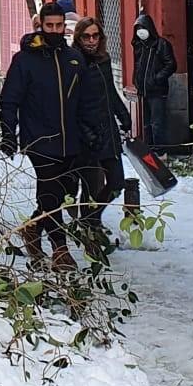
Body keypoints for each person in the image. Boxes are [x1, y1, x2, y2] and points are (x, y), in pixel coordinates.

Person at [0, 2, 107, 269]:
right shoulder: (25, 60)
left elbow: (85, 101)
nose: (55, 30)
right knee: (49, 193)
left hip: (71, 141)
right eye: (50, 26)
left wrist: (92, 131)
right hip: (39, 140)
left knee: (65, 193)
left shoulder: (74, 59)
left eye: (59, 26)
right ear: (40, 26)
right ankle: (60, 250)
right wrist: (8, 133)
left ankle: (33, 228)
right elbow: (10, 99)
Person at [71, 17, 131, 261]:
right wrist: (85, 131)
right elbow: (71, 102)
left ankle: (90, 219)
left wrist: (124, 116)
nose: (92, 41)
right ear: (79, 37)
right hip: (86, 135)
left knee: (116, 182)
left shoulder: (104, 61)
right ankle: (90, 237)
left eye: (96, 36)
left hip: (108, 131)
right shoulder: (73, 62)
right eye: (87, 36)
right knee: (89, 186)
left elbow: (111, 92)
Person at [131, 13, 177, 148]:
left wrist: (156, 79)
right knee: (146, 124)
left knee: (158, 123)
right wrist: (137, 81)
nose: (140, 31)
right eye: (138, 28)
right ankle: (149, 149)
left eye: (143, 28)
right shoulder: (138, 45)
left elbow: (171, 65)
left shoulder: (161, 44)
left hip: (157, 91)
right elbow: (138, 65)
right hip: (143, 90)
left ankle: (161, 151)